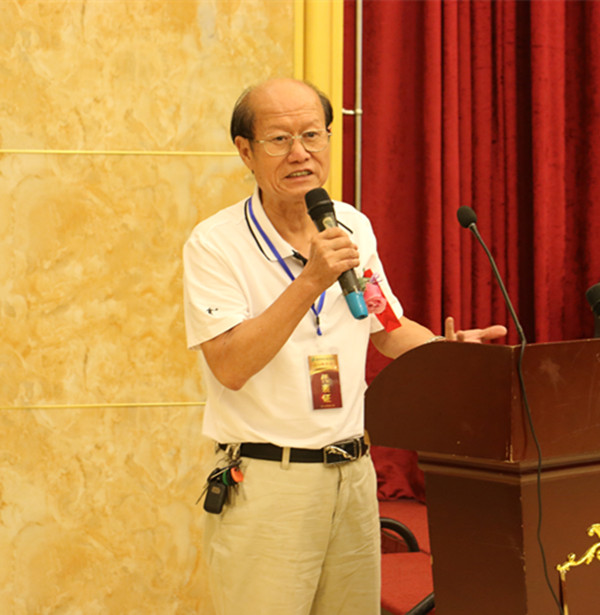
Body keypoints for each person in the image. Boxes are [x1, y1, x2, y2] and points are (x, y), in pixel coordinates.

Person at [183, 77, 506, 615]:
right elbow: (231, 365)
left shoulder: (350, 224)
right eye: (280, 139)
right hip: (269, 482)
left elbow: (387, 325)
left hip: (352, 475)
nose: (300, 153)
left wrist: (447, 351)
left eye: (313, 135)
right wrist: (309, 281)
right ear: (245, 151)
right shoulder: (215, 244)